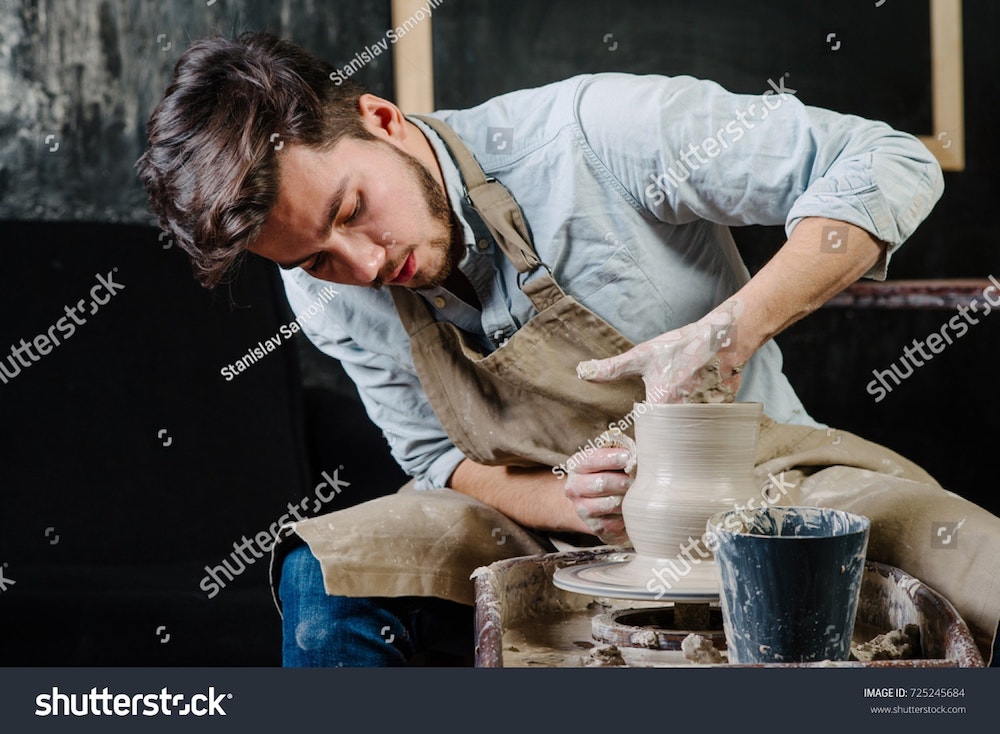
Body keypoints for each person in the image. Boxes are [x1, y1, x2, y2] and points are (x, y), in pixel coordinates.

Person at [137, 32, 1000, 667]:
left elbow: (882, 160)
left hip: (768, 479)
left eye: (351, 210)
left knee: (979, 565)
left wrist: (731, 328)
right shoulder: (321, 287)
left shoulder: (598, 132)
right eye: (315, 257)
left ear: (381, 119)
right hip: (533, 521)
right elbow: (434, 457)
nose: (362, 265)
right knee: (334, 579)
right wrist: (569, 501)